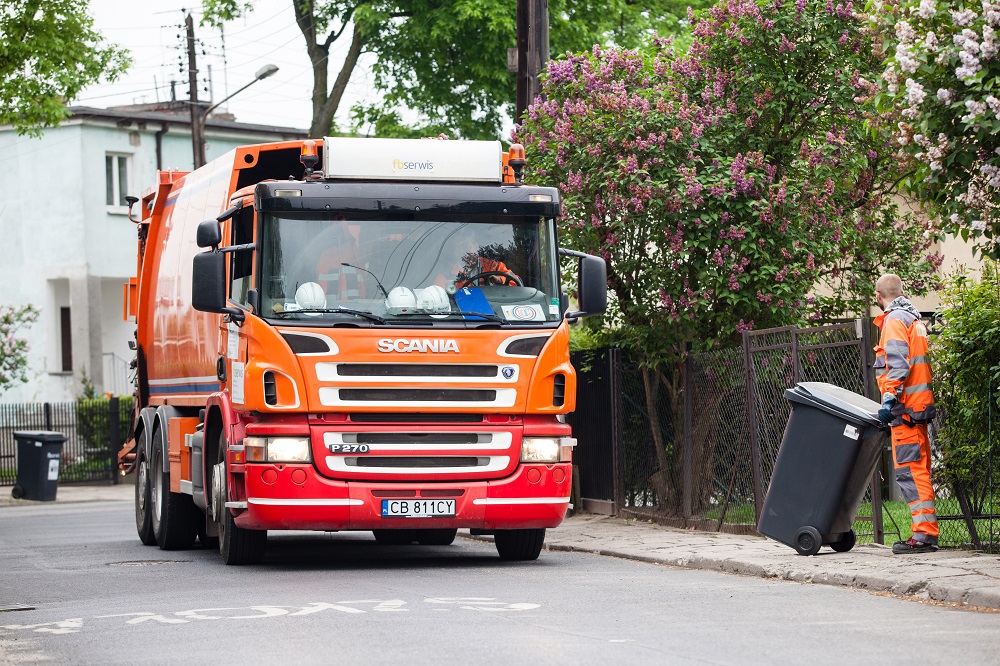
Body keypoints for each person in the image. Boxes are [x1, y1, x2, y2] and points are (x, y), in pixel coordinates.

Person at [873, 273, 938, 554]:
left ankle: (923, 536)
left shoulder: (895, 320)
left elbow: (897, 365)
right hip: (918, 407)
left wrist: (888, 399)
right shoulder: (914, 319)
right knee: (920, 470)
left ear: (878, 296)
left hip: (905, 409)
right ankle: (925, 533)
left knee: (911, 472)